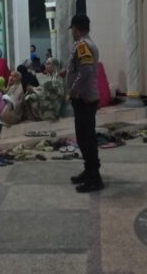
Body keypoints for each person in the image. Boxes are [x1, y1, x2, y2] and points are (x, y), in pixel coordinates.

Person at [60, 14, 103, 193]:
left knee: (86, 139)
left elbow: (85, 72)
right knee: (85, 137)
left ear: (76, 29)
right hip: (87, 98)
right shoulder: (87, 44)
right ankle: (89, 170)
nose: (72, 33)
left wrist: (73, 90)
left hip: (84, 98)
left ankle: (95, 177)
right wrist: (67, 71)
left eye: (73, 30)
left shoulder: (83, 45)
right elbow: (81, 68)